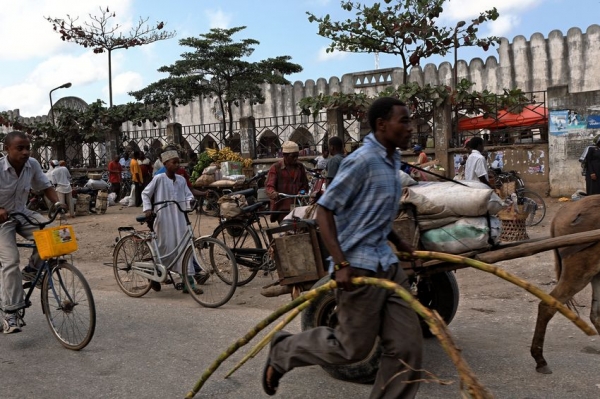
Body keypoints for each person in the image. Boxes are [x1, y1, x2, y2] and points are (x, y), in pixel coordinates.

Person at [262, 97, 423, 398]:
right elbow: (325, 210)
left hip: (387, 265)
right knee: (352, 348)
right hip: (359, 264)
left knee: (407, 348)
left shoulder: (391, 162)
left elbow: (372, 212)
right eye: (404, 121)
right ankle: (285, 351)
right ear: (381, 125)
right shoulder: (361, 161)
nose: (410, 127)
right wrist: (342, 264)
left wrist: (399, 241)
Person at [0, 131, 65, 334]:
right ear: (6, 150)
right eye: (20, 148)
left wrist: (57, 203)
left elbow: (45, 186)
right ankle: (11, 312)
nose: (26, 152)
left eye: (28, 147)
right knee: (10, 261)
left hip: (22, 213)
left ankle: (32, 269)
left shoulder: (33, 165)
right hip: (1, 221)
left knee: (51, 235)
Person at [141, 150, 205, 294]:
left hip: (180, 218)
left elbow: (188, 195)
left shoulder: (181, 180)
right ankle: (154, 277)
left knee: (185, 247)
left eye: (178, 162)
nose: (177, 165)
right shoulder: (159, 178)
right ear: (165, 164)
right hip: (163, 218)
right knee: (163, 247)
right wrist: (148, 209)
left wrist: (191, 201)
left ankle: (189, 284)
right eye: (173, 162)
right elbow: (145, 193)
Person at [264, 140, 309, 223]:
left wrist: (302, 192)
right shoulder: (276, 167)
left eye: (297, 156)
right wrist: (273, 193)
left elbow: (305, 184)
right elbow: (269, 186)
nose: (296, 159)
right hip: (282, 207)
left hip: (297, 205)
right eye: (293, 156)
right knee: (286, 230)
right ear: (285, 155)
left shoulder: (300, 166)